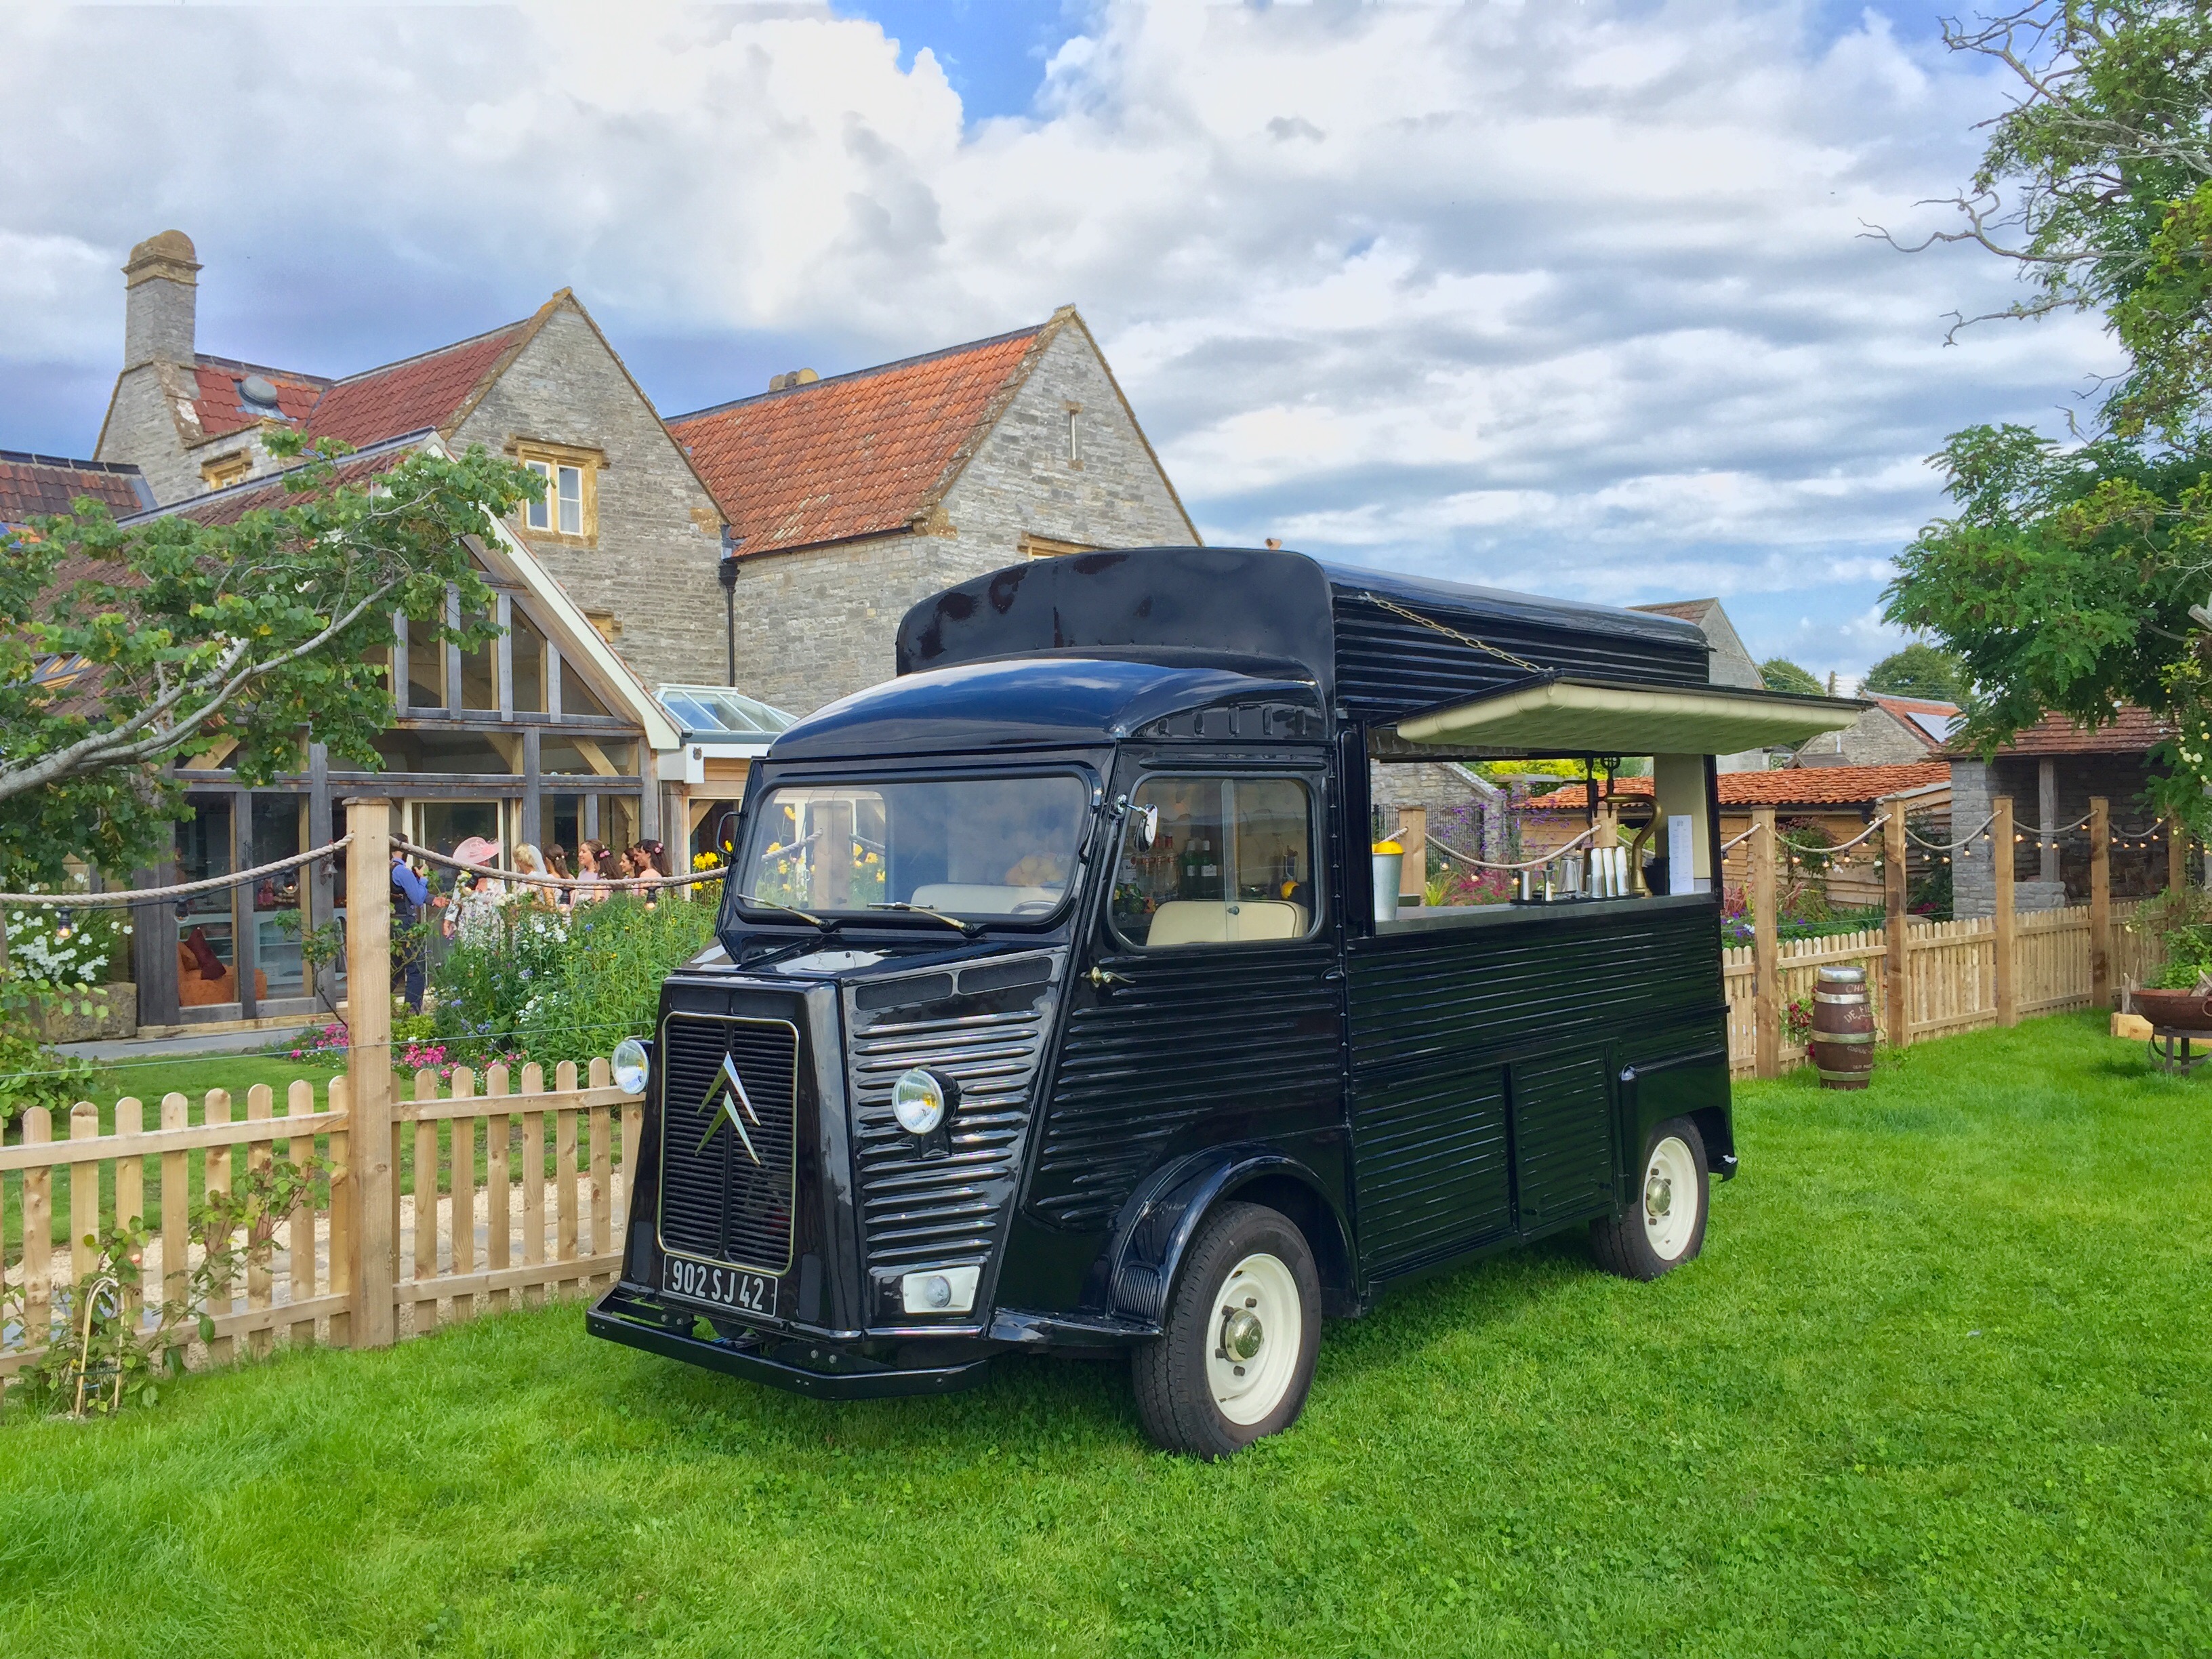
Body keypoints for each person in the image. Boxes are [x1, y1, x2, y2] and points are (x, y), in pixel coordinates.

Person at [390, 848, 430, 1012]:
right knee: (416, 968)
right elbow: (418, 899)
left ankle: (378, 1006)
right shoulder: (402, 871)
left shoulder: (384, 869)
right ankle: (412, 1011)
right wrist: (423, 880)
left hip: (391, 921)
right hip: (406, 922)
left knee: (394, 968)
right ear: (400, 850)